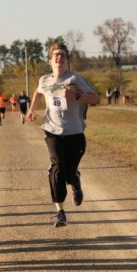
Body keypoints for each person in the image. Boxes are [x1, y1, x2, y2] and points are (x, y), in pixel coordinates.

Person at [26, 43, 100, 228]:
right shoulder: (44, 80)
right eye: (56, 55)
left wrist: (75, 96)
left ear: (67, 60)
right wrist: (31, 109)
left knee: (68, 174)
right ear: (50, 60)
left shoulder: (76, 79)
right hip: (52, 130)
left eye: (63, 55)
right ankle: (60, 212)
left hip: (75, 132)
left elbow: (96, 99)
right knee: (56, 167)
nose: (59, 57)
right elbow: (37, 91)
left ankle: (75, 180)